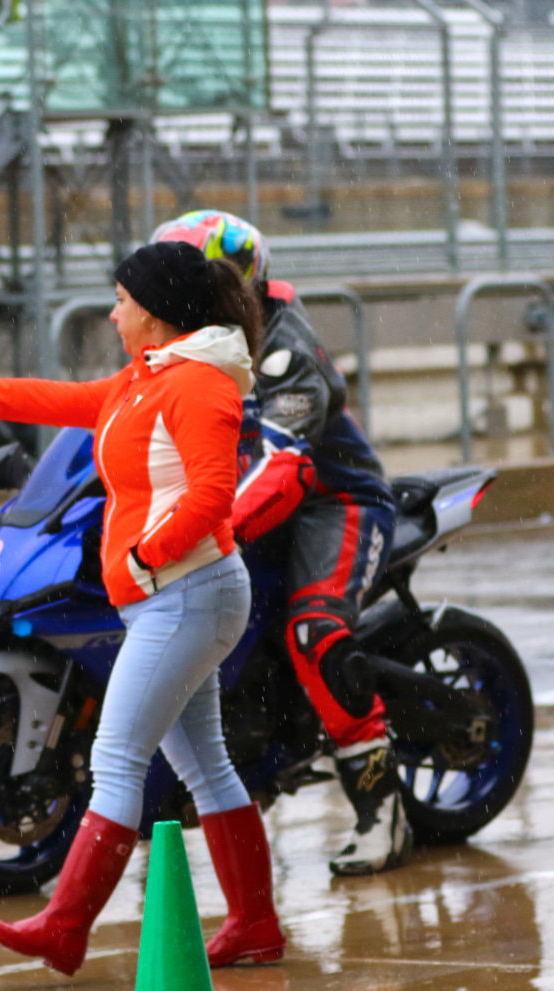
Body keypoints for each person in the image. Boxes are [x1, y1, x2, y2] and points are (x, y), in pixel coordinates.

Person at [0, 241, 285, 974]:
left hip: (186, 594)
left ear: (156, 315)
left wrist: (144, 555)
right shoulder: (146, 379)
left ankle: (65, 926)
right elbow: (57, 401)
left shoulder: (200, 386)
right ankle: (255, 925)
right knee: (206, 767)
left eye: (122, 300)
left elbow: (211, 492)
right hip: (170, 598)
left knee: (116, 756)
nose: (113, 311)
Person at [149, 210, 412, 877]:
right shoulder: (182, 341)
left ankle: (382, 809)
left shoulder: (284, 353)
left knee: (313, 629)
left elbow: (280, 461)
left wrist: (208, 528)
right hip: (244, 508)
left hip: (331, 502)